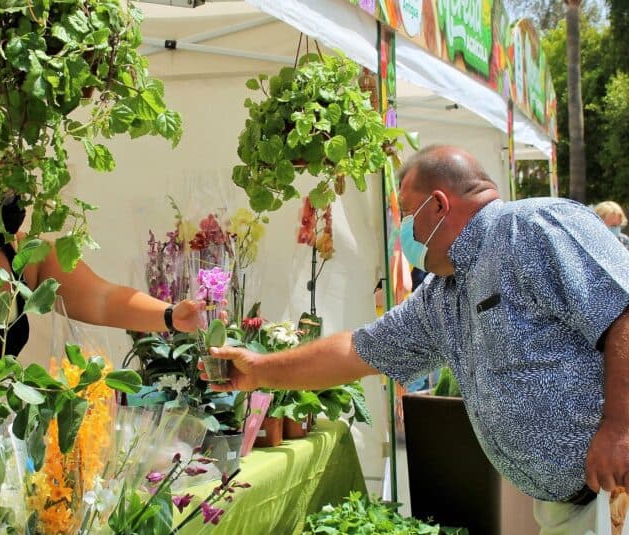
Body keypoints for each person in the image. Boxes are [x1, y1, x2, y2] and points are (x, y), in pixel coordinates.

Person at [203, 145, 629, 535]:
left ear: (439, 204)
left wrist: (619, 427)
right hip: (567, 506)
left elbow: (623, 311)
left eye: (405, 213)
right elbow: (356, 350)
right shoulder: (443, 296)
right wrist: (259, 370)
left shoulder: (532, 228)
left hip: (617, 490)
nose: (402, 229)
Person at [0, 142, 204, 379]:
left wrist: (171, 316)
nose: (15, 202)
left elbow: (102, 298)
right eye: (2, 193)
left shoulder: (27, 255)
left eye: (19, 191)